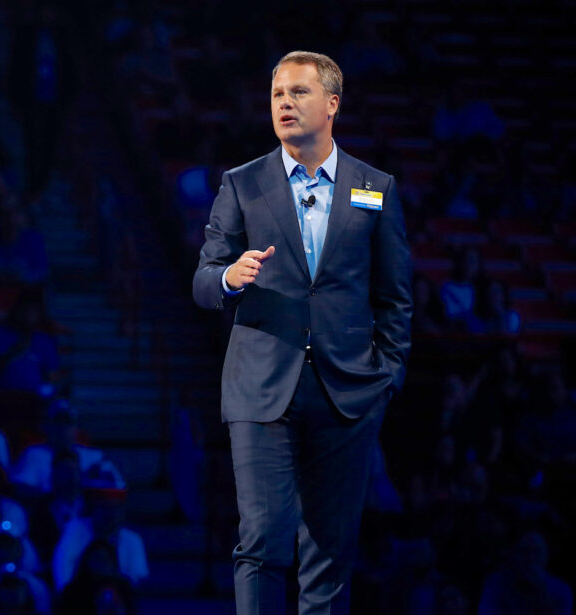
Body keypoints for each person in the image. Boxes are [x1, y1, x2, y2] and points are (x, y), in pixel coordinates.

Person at [192, 51, 412, 614]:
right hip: (262, 390)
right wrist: (230, 278)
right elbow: (203, 279)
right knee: (264, 539)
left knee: (330, 551)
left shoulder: (375, 187)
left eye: (298, 93)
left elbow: (394, 297)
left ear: (332, 103)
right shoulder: (243, 184)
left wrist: (385, 377)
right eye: (277, 95)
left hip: (348, 393)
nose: (285, 103)